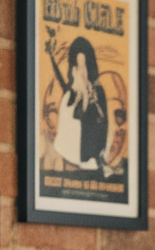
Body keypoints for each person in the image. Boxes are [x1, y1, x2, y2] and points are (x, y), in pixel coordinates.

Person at [47, 34, 109, 172]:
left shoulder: (98, 91)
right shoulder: (69, 95)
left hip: (91, 158)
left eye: (84, 65)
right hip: (69, 156)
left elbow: (101, 125)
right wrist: (83, 97)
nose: (82, 71)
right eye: (78, 65)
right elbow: (74, 118)